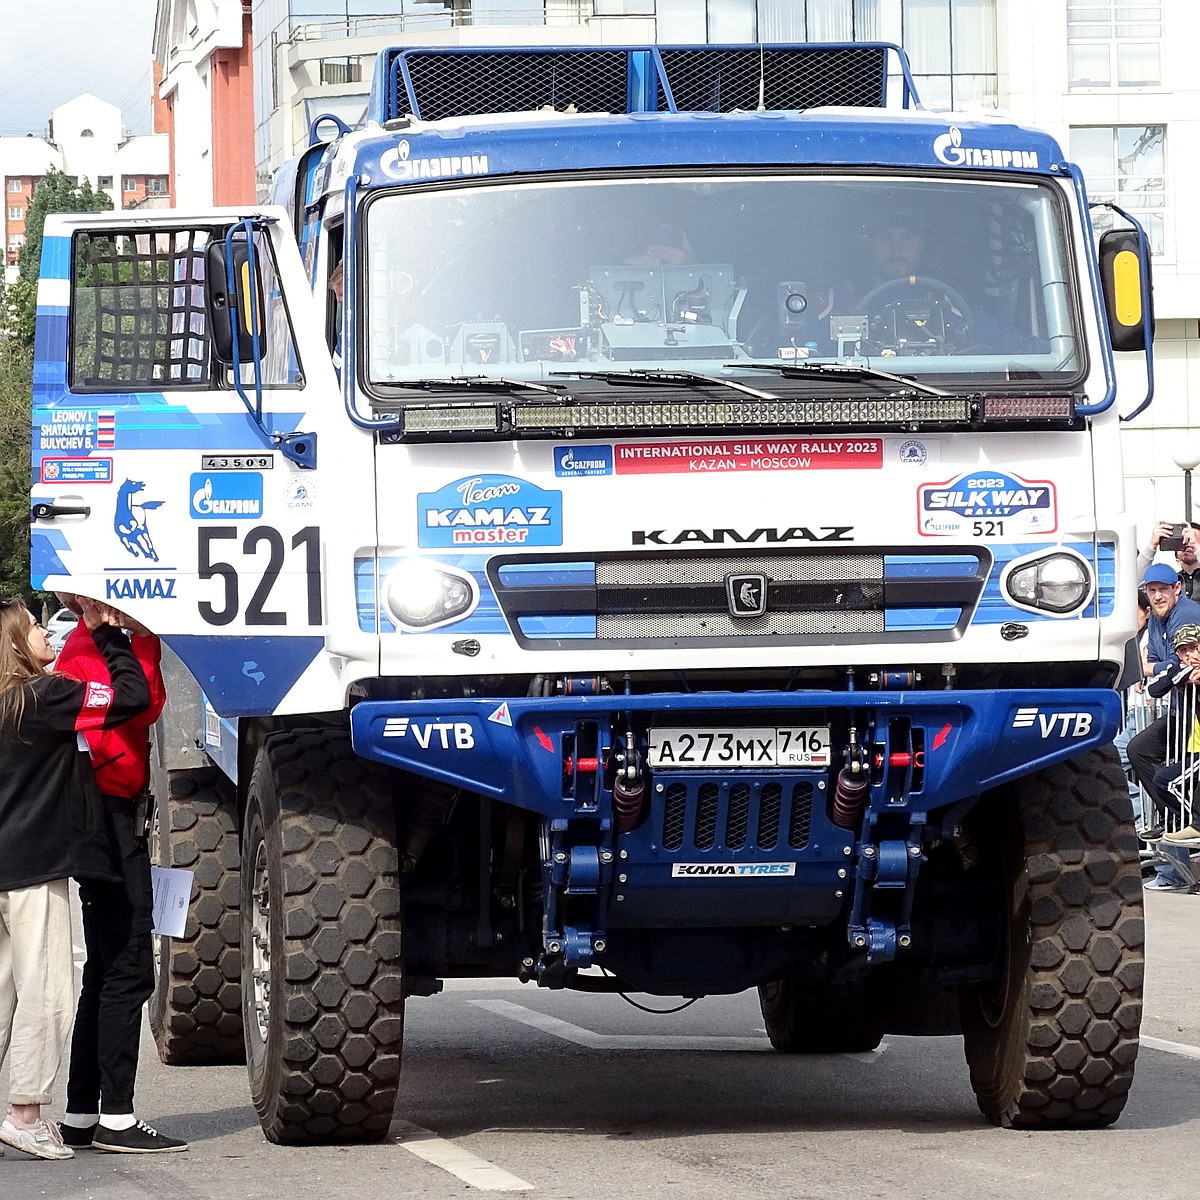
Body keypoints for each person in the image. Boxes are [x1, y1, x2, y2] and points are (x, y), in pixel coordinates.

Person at [0, 597, 149, 1162]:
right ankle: (25, 1115)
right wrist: (108, 636)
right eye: (37, 628)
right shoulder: (45, 697)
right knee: (47, 995)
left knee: (0, 996)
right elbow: (130, 698)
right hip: (35, 869)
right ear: (16, 644)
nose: (47, 635)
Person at [53, 595, 186, 1154]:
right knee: (129, 964)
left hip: (118, 810)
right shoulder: (83, 654)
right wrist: (109, 631)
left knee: (107, 966)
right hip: (102, 812)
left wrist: (141, 635)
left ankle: (84, 1111)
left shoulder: (120, 645)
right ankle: (116, 1114)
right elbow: (134, 702)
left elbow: (152, 703)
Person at [1127, 564, 1200, 831]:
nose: (1157, 596)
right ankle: (1176, 818)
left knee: (1168, 775)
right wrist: (1158, 669)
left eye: (1163, 590)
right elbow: (1160, 667)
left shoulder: (1187, 613)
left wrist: (1153, 670)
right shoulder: (1157, 617)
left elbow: (1175, 665)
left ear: (1177, 588)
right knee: (1138, 750)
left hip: (1190, 717)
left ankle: (1186, 821)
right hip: (1180, 713)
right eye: (1152, 590)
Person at [1142, 621, 1200, 889]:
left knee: (1167, 781)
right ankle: (1184, 826)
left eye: (1196, 648)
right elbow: (1155, 688)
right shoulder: (1183, 668)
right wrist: (1181, 676)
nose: (1193, 656)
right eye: (1185, 651)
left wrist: (1182, 677)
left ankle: (1193, 825)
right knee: (1166, 779)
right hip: (1194, 747)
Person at [1137, 519, 1200, 598]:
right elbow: (1134, 585)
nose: (1187, 544)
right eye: (1181, 539)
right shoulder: (1171, 580)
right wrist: (1152, 545)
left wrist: (1197, 548)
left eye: (1192, 539)